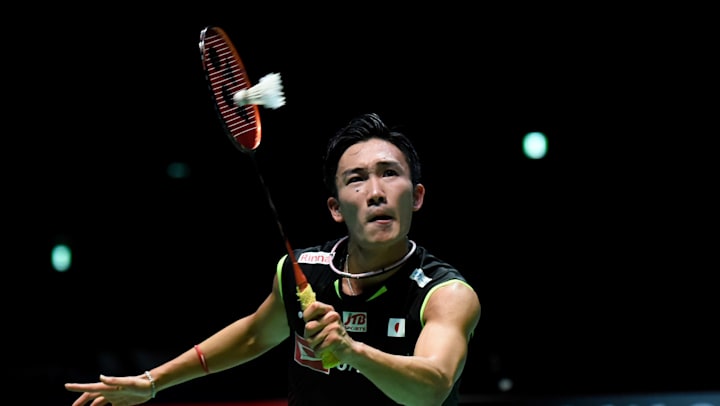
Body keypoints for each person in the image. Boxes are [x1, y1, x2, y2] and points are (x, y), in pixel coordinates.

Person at [65, 112, 481, 406]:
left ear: (417, 196)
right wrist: (153, 382)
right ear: (336, 208)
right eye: (356, 179)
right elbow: (252, 336)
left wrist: (352, 351)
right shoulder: (302, 273)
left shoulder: (445, 294)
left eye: (390, 173)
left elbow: (433, 388)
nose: (375, 192)